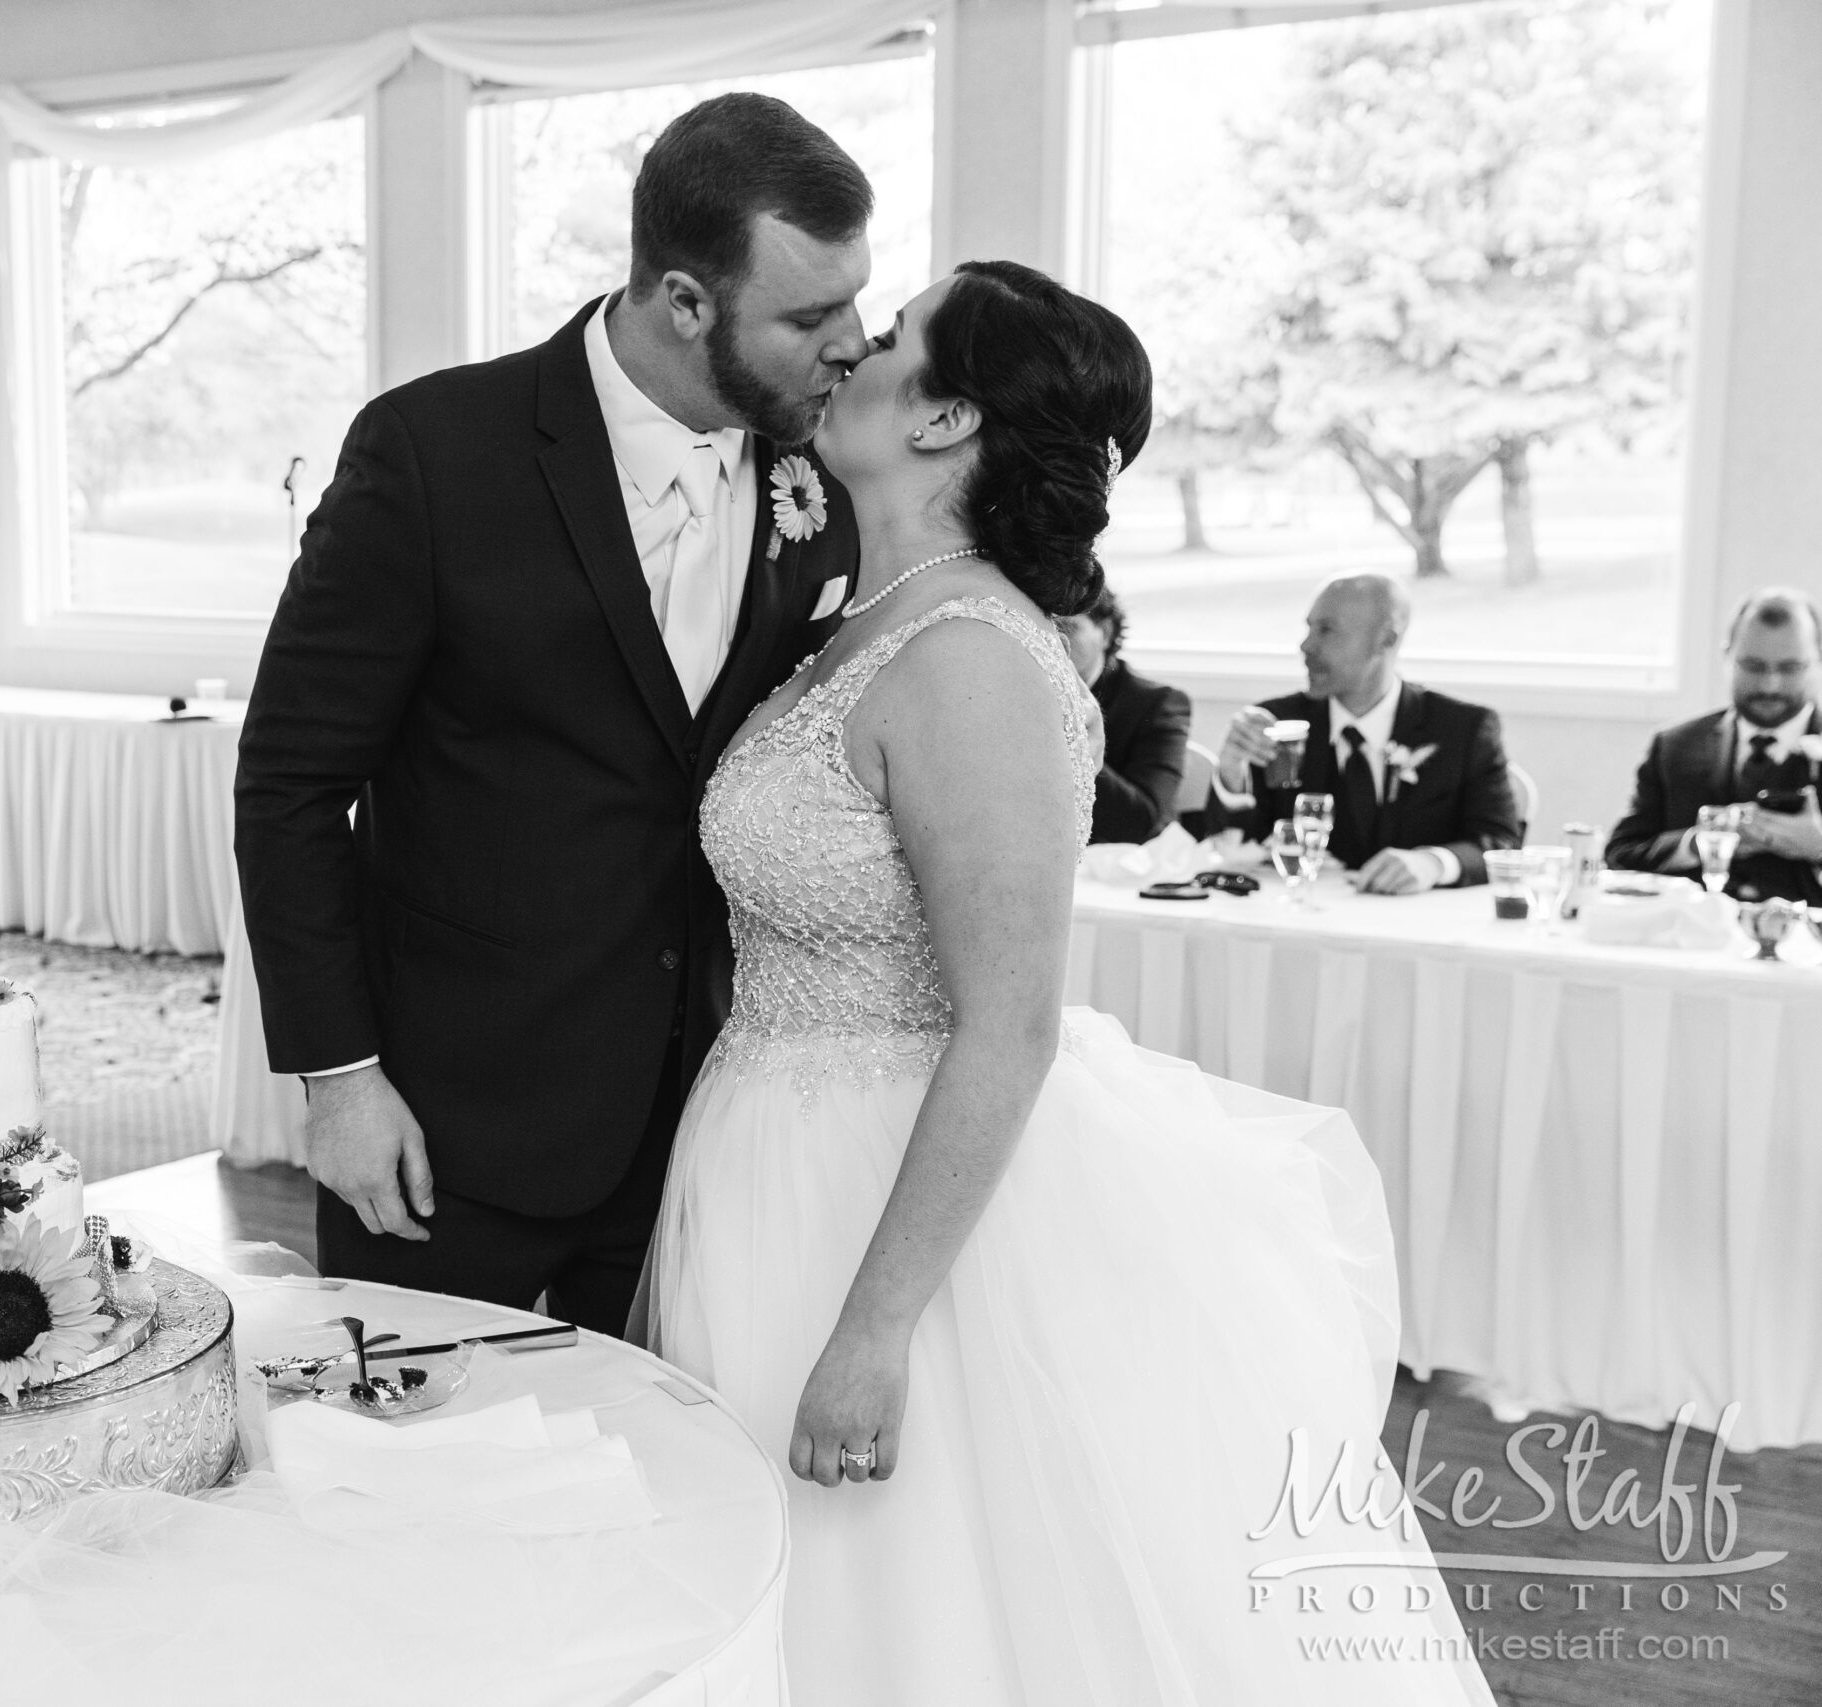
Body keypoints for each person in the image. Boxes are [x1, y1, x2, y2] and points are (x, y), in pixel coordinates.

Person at [639, 261, 1492, 1705]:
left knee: (930, 1613)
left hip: (894, 1204)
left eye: (894, 336)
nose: (854, 346)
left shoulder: (967, 654)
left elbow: (1010, 1022)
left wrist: (873, 1328)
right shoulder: (867, 612)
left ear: (948, 414)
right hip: (772, 1157)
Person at [234, 95, 867, 1332]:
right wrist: (341, 1082)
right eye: (808, 316)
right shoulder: (434, 453)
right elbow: (290, 787)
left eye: (853, 300)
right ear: (685, 300)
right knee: (403, 1482)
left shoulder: (820, 478)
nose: (850, 342)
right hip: (442, 1127)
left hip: (699, 1122)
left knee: (642, 1491)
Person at [1207, 574, 1521, 891]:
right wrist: (1232, 774)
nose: (1306, 645)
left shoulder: (1462, 729)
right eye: (1308, 628)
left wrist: (1434, 863)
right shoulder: (1280, 726)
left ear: (1385, 639)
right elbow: (1232, 849)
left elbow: (1502, 843)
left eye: (1326, 630)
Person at [1608, 586, 1822, 903]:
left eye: (1789, 669)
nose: (1769, 684)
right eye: (1752, 666)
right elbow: (1621, 856)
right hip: (1691, 941)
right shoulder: (1674, 747)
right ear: (1726, 656)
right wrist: (1697, 844)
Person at [1056, 584, 1191, 842]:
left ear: (1105, 633)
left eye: (1067, 629)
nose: (1054, 642)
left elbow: (1143, 823)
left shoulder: (1160, 703)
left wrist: (1070, 737)